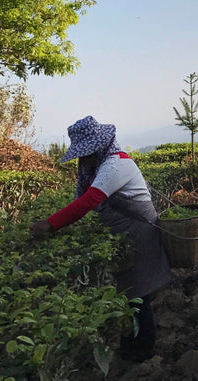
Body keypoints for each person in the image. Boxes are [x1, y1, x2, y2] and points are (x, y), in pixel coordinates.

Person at [30, 116, 172, 362]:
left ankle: (144, 353)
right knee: (128, 294)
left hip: (139, 234)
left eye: (85, 153)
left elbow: (88, 201)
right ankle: (130, 346)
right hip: (125, 235)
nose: (82, 160)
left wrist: (50, 224)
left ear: (98, 148)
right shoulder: (101, 166)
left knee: (139, 295)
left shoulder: (115, 165)